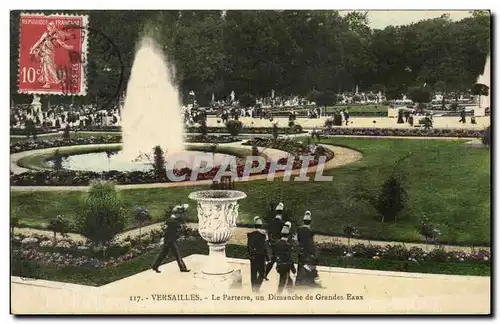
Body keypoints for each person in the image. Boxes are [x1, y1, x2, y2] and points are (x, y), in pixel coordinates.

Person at [152, 204, 191, 273]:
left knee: (163, 254)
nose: (180, 215)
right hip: (171, 240)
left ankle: (155, 266)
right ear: (177, 214)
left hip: (167, 239)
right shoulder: (175, 222)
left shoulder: (169, 220)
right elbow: (180, 227)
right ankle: (183, 268)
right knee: (177, 255)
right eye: (179, 214)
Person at [295, 211, 320, 287]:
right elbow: (311, 243)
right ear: (310, 222)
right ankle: (309, 282)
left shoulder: (299, 229)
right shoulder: (310, 231)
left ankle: (298, 281)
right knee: (309, 265)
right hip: (307, 251)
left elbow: (296, 239)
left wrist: (298, 246)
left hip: (300, 250)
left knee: (300, 265)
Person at [247, 216, 269, 292]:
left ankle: (253, 289)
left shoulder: (250, 235)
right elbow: (265, 248)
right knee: (262, 273)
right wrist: (268, 257)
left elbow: (249, 246)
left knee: (253, 273)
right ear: (261, 226)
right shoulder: (263, 235)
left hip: (253, 256)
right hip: (261, 256)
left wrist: (250, 255)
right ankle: (257, 288)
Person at [265, 202, 285, 277]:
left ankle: (265, 274)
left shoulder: (271, 222)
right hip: (279, 244)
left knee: (272, 260)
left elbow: (268, 232)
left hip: (272, 243)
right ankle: (285, 278)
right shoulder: (282, 223)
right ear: (282, 213)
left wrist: (270, 241)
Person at [275, 225, 296, 294]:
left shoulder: (277, 243)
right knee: (282, 282)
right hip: (286, 266)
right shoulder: (288, 245)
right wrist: (293, 269)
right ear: (288, 235)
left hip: (279, 265)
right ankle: (278, 295)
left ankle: (290, 292)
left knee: (288, 281)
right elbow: (289, 258)